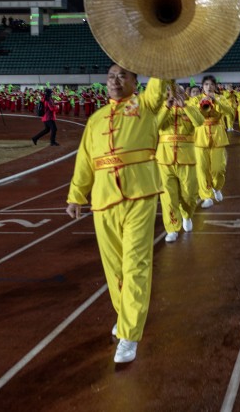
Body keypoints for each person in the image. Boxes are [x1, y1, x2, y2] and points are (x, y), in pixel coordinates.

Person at [65, 66, 168, 364]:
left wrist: (158, 52)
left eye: (123, 75)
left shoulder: (145, 105)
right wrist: (76, 195)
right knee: (115, 271)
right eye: (111, 75)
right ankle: (126, 319)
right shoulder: (96, 120)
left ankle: (130, 334)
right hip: (103, 200)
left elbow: (159, 86)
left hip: (140, 195)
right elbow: (85, 160)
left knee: (136, 265)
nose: (115, 80)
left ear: (136, 82)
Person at [155, 84, 204, 242]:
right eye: (172, 93)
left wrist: (186, 107)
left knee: (189, 194)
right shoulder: (162, 108)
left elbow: (199, 122)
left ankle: (187, 215)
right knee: (168, 197)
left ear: (185, 95)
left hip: (187, 159)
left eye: (179, 93)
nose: (175, 96)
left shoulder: (191, 107)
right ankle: (172, 228)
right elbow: (154, 125)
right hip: (164, 159)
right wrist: (166, 107)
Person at [188, 75, 233, 207]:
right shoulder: (195, 98)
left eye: (211, 84)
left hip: (217, 135)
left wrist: (216, 102)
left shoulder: (221, 98)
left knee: (218, 168)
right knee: (202, 169)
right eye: (206, 84)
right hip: (200, 135)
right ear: (202, 86)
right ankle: (206, 196)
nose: (209, 87)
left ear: (215, 86)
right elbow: (191, 112)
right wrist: (200, 103)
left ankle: (217, 187)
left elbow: (229, 111)